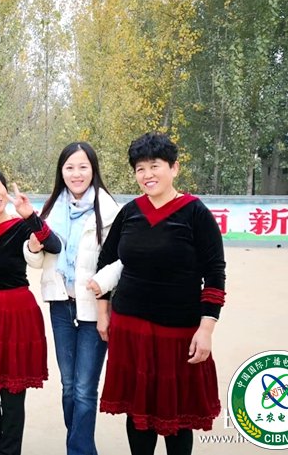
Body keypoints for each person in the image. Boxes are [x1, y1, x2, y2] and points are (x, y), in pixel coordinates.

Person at [97, 132, 226, 455]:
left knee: (176, 416)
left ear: (174, 168)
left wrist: (206, 330)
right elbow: (106, 262)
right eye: (140, 169)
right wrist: (103, 313)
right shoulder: (130, 212)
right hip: (130, 328)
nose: (147, 175)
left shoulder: (195, 213)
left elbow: (215, 273)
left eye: (155, 166)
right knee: (137, 412)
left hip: (178, 332)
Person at [23, 142, 120, 455]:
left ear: (93, 170)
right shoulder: (51, 209)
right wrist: (32, 248)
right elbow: (39, 259)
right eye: (69, 168)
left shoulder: (109, 210)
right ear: (61, 172)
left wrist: (102, 282)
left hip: (94, 306)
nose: (76, 174)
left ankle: (79, 451)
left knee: (84, 388)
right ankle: (80, 447)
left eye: (83, 167)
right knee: (68, 387)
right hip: (60, 304)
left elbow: (120, 259)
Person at [0, 168, 61, 455]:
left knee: (13, 390)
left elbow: (53, 245)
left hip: (16, 312)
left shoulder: (22, 225)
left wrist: (30, 216)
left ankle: (9, 451)